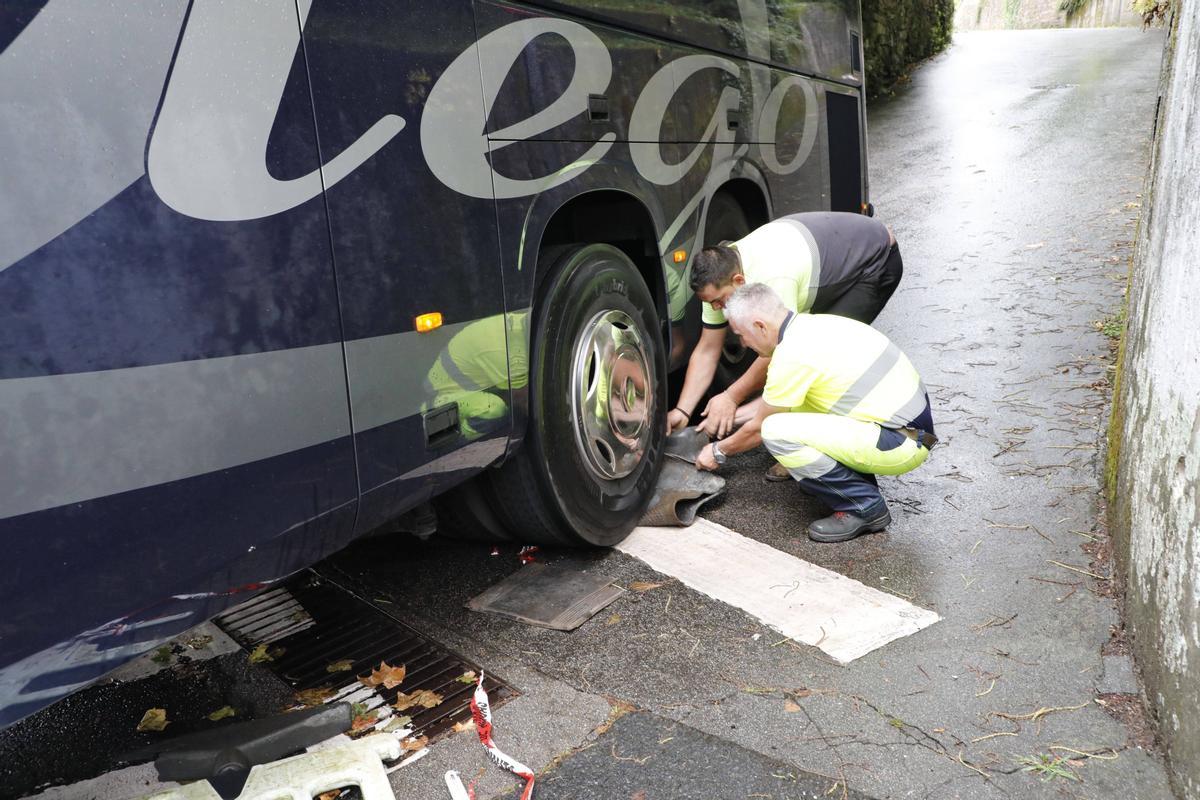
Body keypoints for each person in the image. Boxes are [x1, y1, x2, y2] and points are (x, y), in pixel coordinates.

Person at [695, 283, 936, 543]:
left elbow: (761, 426)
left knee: (774, 430)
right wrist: (729, 415)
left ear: (760, 326)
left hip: (900, 442)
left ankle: (864, 507)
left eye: (741, 335)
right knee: (797, 406)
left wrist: (718, 451)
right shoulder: (813, 325)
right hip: (904, 427)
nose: (743, 343)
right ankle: (847, 479)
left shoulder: (791, 356)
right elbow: (774, 403)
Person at [668, 212, 904, 473]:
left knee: (817, 354)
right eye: (710, 303)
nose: (717, 308)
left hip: (875, 261)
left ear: (739, 281)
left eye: (720, 301)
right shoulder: (721, 282)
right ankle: (792, 427)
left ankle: (823, 452)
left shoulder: (774, 278)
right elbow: (707, 349)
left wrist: (731, 397)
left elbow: (782, 350)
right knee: (800, 362)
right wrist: (682, 410)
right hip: (830, 255)